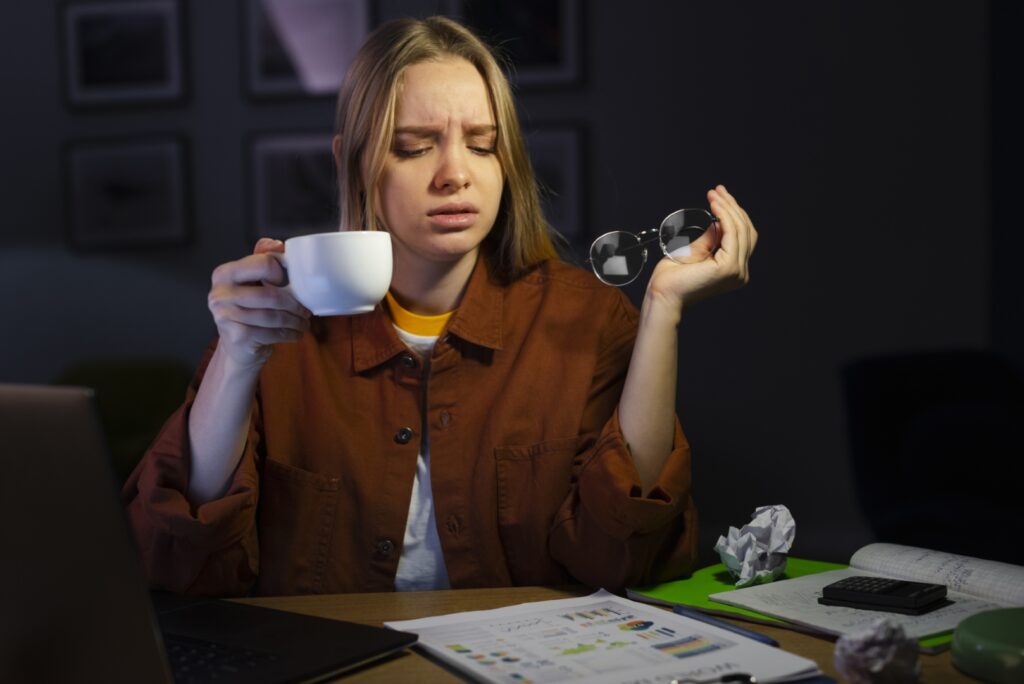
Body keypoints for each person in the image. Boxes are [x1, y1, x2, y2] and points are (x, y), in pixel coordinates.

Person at [123, 16, 757, 596]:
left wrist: (663, 312)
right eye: (414, 145)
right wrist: (238, 357)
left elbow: (627, 559)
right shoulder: (275, 321)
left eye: (482, 145)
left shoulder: (588, 318)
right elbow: (179, 565)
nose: (455, 173)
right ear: (353, 159)